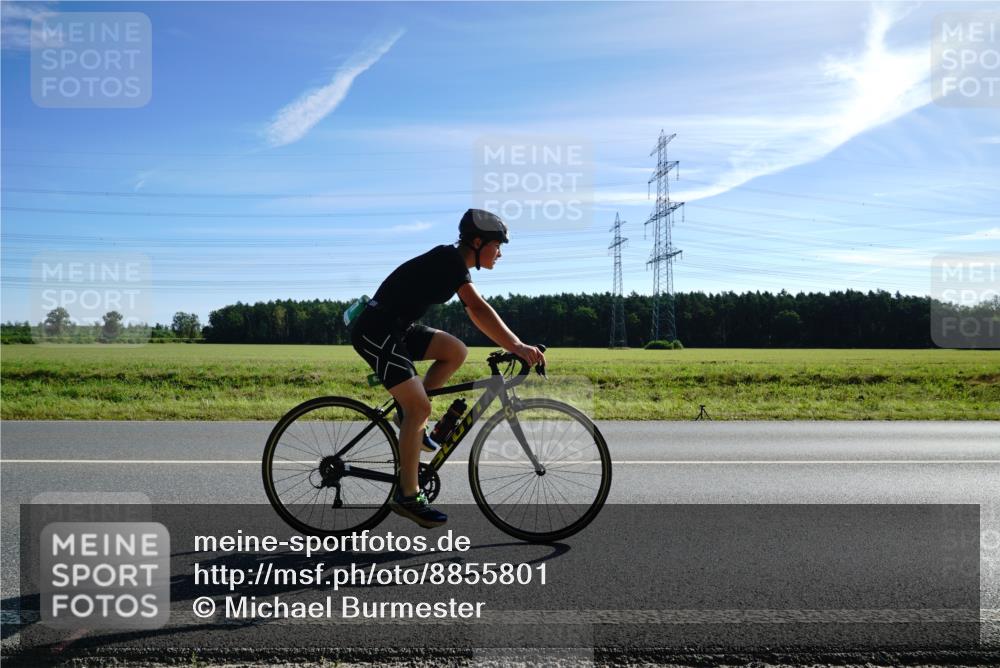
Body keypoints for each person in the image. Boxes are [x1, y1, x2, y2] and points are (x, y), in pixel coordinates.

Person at [350, 209, 545, 528]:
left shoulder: (452, 263)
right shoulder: (450, 261)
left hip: (397, 327)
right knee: (420, 408)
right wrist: (518, 346)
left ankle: (410, 417)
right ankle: (408, 495)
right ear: (478, 242)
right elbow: (478, 309)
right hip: (377, 330)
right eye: (498, 245)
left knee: (455, 351)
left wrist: (515, 345)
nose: (501, 253)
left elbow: (477, 312)